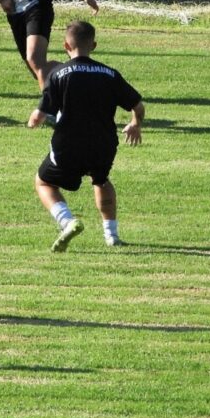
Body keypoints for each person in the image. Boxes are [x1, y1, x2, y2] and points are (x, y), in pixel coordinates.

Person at [27, 21, 144, 251]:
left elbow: (39, 116)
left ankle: (67, 221)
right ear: (94, 45)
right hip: (103, 143)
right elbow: (138, 106)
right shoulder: (110, 74)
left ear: (65, 46)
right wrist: (134, 124)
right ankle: (112, 236)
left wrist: (33, 122)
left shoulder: (58, 74)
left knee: (44, 182)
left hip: (68, 144)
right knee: (101, 179)